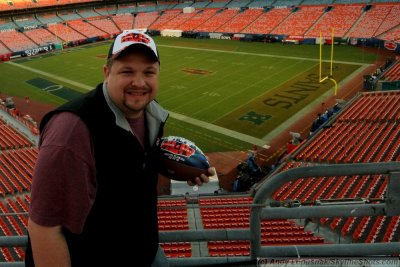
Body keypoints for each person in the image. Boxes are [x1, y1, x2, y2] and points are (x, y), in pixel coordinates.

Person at [25, 30, 215, 267]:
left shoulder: (150, 113)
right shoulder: (72, 131)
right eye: (127, 71)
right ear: (107, 73)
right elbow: (44, 229)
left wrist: (178, 167)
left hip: (144, 252)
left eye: (149, 72)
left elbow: (129, 161)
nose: (139, 82)